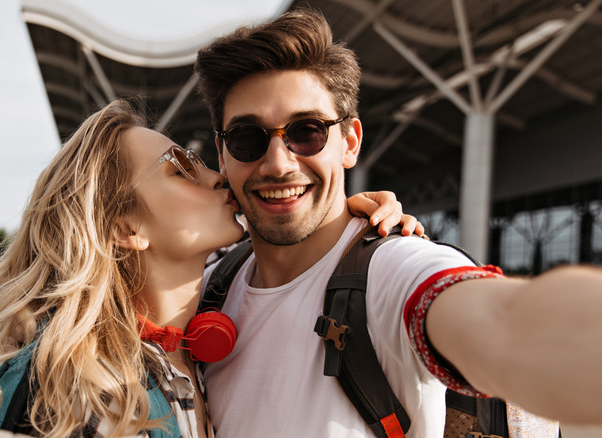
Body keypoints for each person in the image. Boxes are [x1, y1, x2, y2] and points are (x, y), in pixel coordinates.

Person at [193, 7, 602, 438]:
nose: (277, 164)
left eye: (307, 131)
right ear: (222, 155)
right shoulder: (210, 290)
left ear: (349, 143)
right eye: (246, 139)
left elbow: (503, 320)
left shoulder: (392, 272)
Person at [0, 98, 420, 438]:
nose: (217, 176)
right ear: (125, 227)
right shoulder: (67, 392)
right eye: (180, 169)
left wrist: (345, 225)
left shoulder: (195, 347)